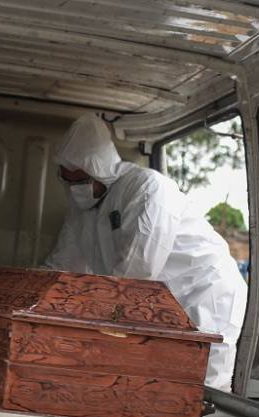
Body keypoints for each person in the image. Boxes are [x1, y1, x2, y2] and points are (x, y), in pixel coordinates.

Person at [44, 113, 248, 391]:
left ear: (99, 169)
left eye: (80, 180)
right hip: (155, 306)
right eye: (68, 181)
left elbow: (136, 273)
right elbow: (62, 268)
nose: (74, 189)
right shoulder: (80, 210)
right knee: (159, 390)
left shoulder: (147, 187)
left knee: (203, 391)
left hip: (203, 295)